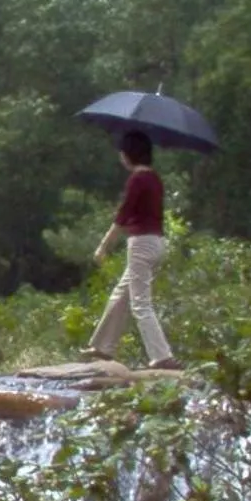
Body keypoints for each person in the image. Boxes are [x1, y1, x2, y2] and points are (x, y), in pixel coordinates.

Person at [82, 130, 178, 371]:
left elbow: (123, 216)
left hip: (142, 243)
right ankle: (102, 346)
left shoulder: (137, 179)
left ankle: (162, 356)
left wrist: (103, 246)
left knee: (140, 303)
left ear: (129, 154)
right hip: (156, 242)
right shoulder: (154, 178)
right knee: (121, 293)